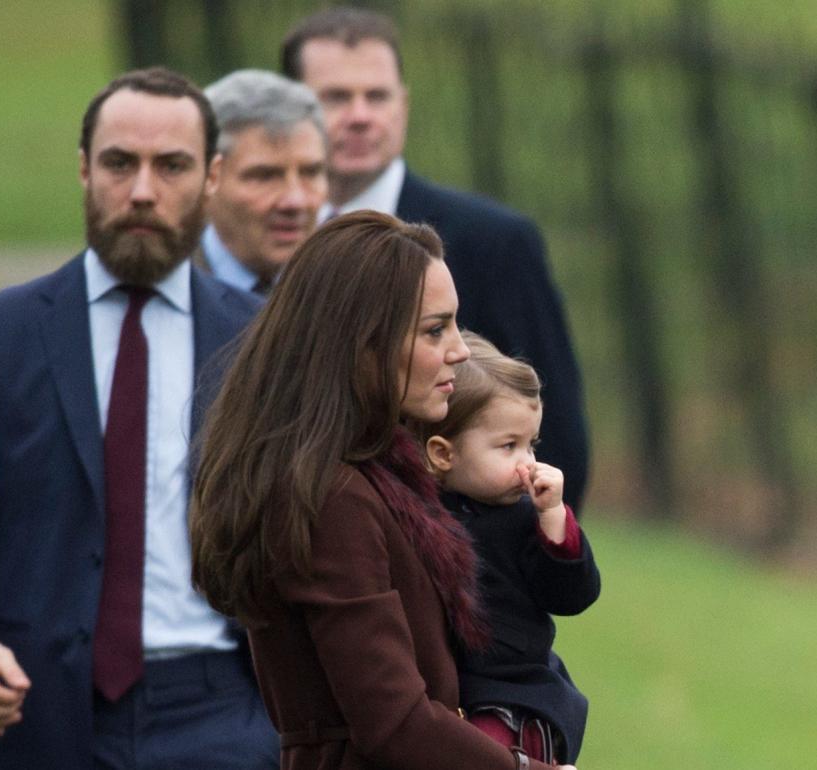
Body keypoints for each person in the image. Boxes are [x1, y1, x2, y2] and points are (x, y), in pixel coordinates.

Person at [0, 67, 278, 769]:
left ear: (213, 177)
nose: (140, 190)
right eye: (118, 163)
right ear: (82, 169)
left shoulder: (262, 339)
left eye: (171, 166)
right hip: (33, 714)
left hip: (221, 711)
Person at [190, 211, 576, 769]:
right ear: (364, 344)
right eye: (434, 330)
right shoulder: (332, 497)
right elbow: (394, 724)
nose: (461, 351)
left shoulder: (371, 479)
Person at [280, 6, 591, 511]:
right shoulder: (270, 236)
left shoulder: (493, 243)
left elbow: (555, 437)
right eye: (335, 97)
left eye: (376, 96)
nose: (360, 114)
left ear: (403, 105)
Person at [418, 331, 600, 764]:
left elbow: (572, 595)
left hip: (515, 698)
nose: (528, 463)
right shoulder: (416, 512)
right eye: (508, 446)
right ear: (444, 454)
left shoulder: (524, 517)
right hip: (446, 696)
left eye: (531, 444)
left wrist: (555, 520)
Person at [195, 69, 328, 294]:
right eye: (265, 176)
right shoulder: (163, 289)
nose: (294, 201)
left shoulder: (357, 291)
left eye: (310, 173)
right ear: (208, 179)